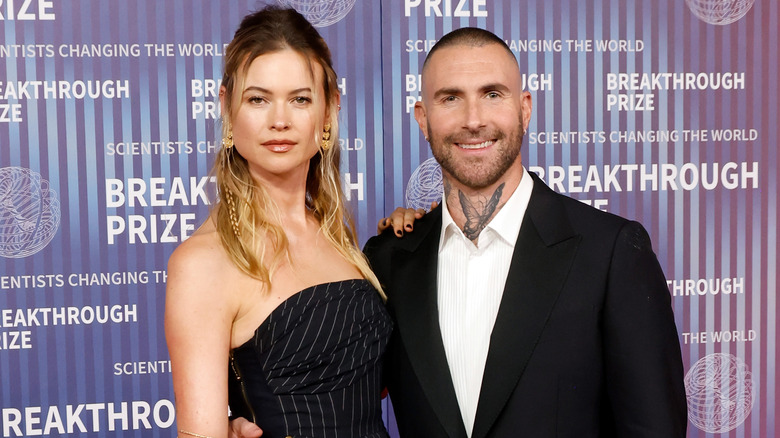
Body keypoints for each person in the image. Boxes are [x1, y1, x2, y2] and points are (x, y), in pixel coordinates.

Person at [364, 28, 688, 437]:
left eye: (493, 94)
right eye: (450, 98)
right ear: (423, 119)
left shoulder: (610, 253)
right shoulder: (388, 260)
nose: (473, 120)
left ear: (525, 109)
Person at [165, 7, 392, 438]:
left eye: (300, 98)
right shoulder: (203, 263)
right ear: (227, 106)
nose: (279, 120)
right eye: (258, 98)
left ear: (329, 111)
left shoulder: (335, 234)